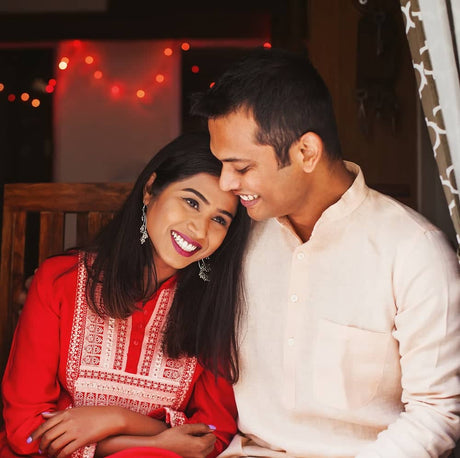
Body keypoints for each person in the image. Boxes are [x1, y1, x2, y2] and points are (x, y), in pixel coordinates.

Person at [191, 47, 460, 457]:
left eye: (242, 167)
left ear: (306, 152)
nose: (226, 183)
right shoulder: (235, 235)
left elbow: (438, 412)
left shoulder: (413, 251)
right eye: (222, 165)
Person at [0, 132, 251, 458]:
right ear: (150, 190)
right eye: (191, 202)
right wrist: (155, 441)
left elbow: (211, 437)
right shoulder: (59, 280)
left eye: (219, 219)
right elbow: (26, 434)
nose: (200, 230)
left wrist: (113, 419)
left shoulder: (211, 306)